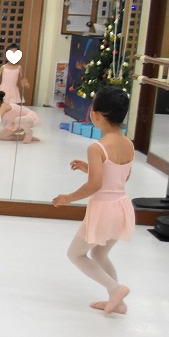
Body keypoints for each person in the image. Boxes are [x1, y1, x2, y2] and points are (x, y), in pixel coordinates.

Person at [52, 86, 135, 315]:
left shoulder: (97, 147)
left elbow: (95, 185)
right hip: (122, 207)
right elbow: (121, 176)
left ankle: (116, 289)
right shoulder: (128, 144)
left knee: (75, 254)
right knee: (99, 254)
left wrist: (68, 198)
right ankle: (117, 302)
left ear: (95, 114)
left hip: (103, 211)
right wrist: (90, 168)